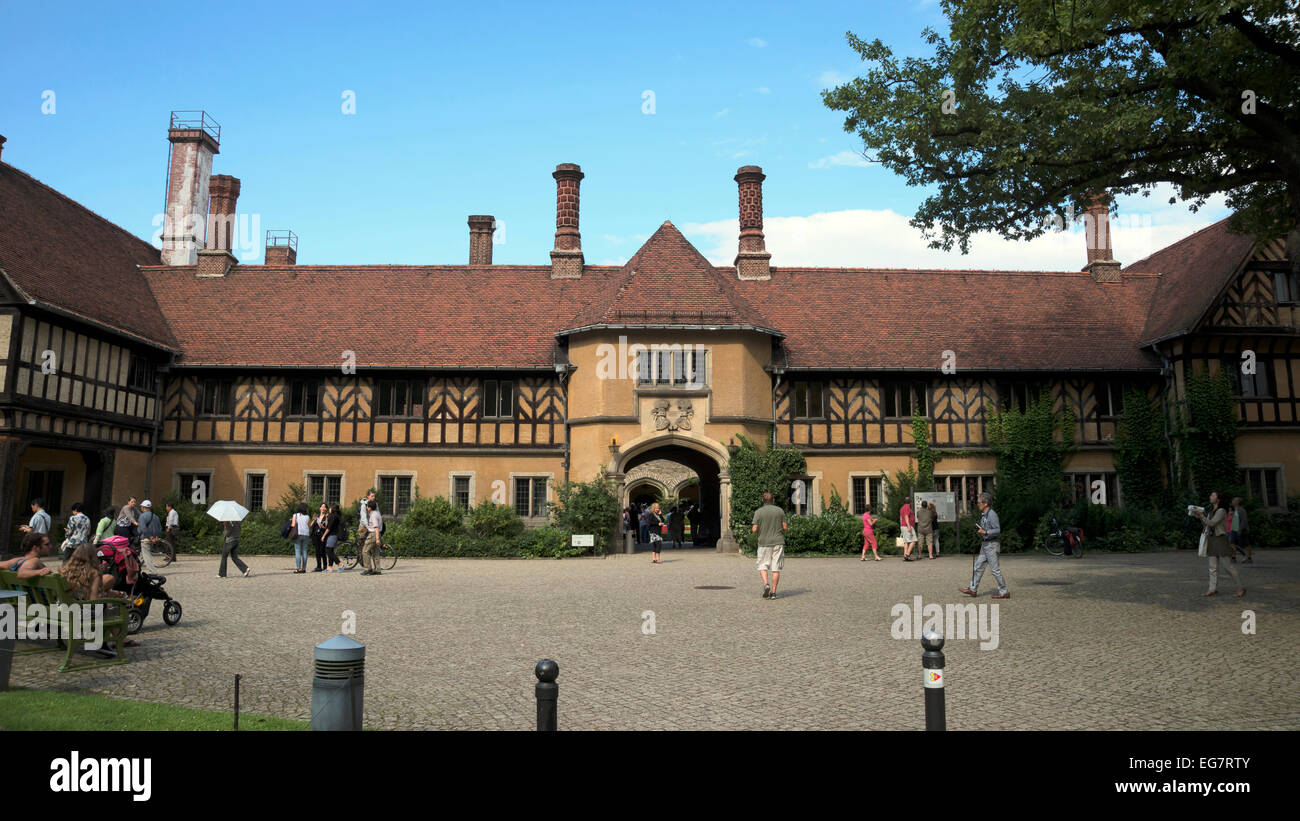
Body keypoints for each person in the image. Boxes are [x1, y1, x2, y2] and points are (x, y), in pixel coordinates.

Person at [60, 542, 141, 652]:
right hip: (80, 614)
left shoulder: (64, 571)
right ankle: (114, 640)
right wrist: (110, 598)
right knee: (109, 608)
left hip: (63, 610)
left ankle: (118, 640)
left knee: (105, 604)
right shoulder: (93, 573)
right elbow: (94, 601)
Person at [1193, 490, 1245, 597]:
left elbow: (1212, 523)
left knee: (1227, 566)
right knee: (1212, 567)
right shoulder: (1212, 511)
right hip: (1212, 540)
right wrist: (1199, 516)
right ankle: (1212, 589)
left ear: (1218, 499)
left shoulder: (1221, 511)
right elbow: (1207, 525)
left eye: (1212, 495)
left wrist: (1202, 516)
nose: (1210, 496)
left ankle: (1240, 587)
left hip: (1220, 540)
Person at [960, 492, 1009, 599]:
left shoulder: (992, 514)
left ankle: (1004, 591)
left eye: (979, 502)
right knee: (977, 566)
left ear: (985, 503)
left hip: (992, 545)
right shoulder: (984, 515)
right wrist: (982, 544)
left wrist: (985, 532)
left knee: (995, 570)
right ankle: (973, 589)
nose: (977, 504)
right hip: (986, 545)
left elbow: (997, 530)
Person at [752, 492, 788, 599]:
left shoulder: (758, 512)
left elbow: (754, 529)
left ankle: (766, 584)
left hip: (764, 543)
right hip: (778, 542)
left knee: (762, 565)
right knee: (776, 568)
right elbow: (785, 527)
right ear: (773, 500)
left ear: (763, 500)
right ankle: (773, 593)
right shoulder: (780, 511)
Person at [137, 500, 162, 574]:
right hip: (153, 539)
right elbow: (159, 528)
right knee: (142, 555)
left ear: (144, 507)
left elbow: (142, 528)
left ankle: (153, 571)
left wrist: (150, 537)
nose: (141, 508)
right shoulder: (156, 516)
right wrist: (156, 536)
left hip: (146, 538)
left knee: (146, 556)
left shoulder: (142, 516)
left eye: (141, 506)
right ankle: (136, 568)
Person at [361, 499, 383, 576]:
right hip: (377, 533)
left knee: (365, 551)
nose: (367, 508)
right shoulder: (377, 513)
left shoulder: (373, 515)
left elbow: (376, 527)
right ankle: (377, 569)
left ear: (369, 507)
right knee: (375, 552)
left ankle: (368, 569)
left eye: (367, 506)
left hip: (373, 534)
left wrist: (377, 539)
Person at [1230, 497, 1253, 564]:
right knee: (1232, 544)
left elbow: (1244, 521)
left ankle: (1249, 558)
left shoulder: (1242, 510)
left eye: (1234, 500)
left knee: (1246, 544)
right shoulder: (1233, 510)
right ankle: (1233, 558)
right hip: (1234, 529)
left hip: (1242, 530)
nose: (1232, 501)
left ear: (1237, 502)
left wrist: (1240, 529)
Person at [289, 503, 311, 573]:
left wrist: (291, 520)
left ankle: (298, 568)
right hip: (306, 534)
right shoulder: (308, 516)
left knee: (298, 551)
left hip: (298, 534)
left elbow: (293, 525)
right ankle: (304, 568)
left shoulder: (295, 515)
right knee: (304, 551)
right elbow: (309, 526)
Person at [325, 503, 343, 572]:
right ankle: (330, 567)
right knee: (330, 550)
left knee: (329, 550)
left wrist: (323, 536)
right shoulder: (333, 516)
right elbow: (327, 525)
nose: (329, 509)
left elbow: (328, 528)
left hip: (332, 535)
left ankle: (339, 563)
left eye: (330, 508)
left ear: (333, 509)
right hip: (333, 535)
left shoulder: (334, 516)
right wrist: (327, 518)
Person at [311, 503, 329, 572]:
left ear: (326, 509)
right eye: (322, 506)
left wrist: (322, 526)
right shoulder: (317, 516)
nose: (323, 508)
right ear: (320, 508)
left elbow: (327, 527)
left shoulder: (326, 517)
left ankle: (325, 566)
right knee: (317, 551)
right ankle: (318, 566)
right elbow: (311, 526)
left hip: (322, 535)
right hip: (315, 535)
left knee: (322, 551)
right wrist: (314, 519)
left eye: (324, 507)